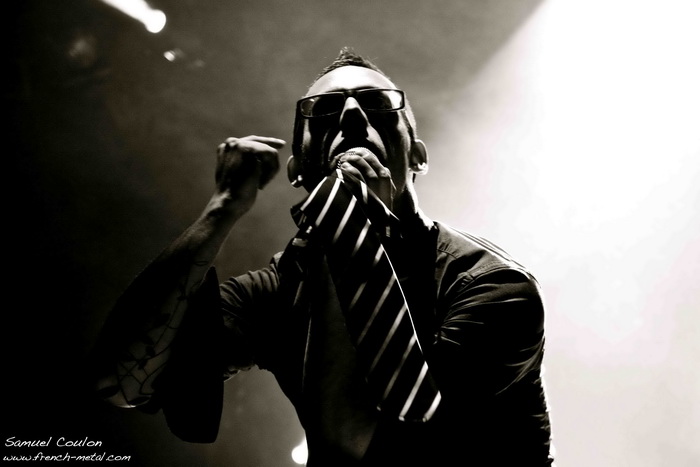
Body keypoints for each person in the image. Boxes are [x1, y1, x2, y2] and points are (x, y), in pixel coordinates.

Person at [92, 48, 554, 466]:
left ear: (416, 156)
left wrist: (348, 228)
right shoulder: (282, 286)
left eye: (377, 104)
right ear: (297, 169)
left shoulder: (491, 287)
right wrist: (221, 210)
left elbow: (360, 448)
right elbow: (120, 382)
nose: (352, 115)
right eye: (325, 110)